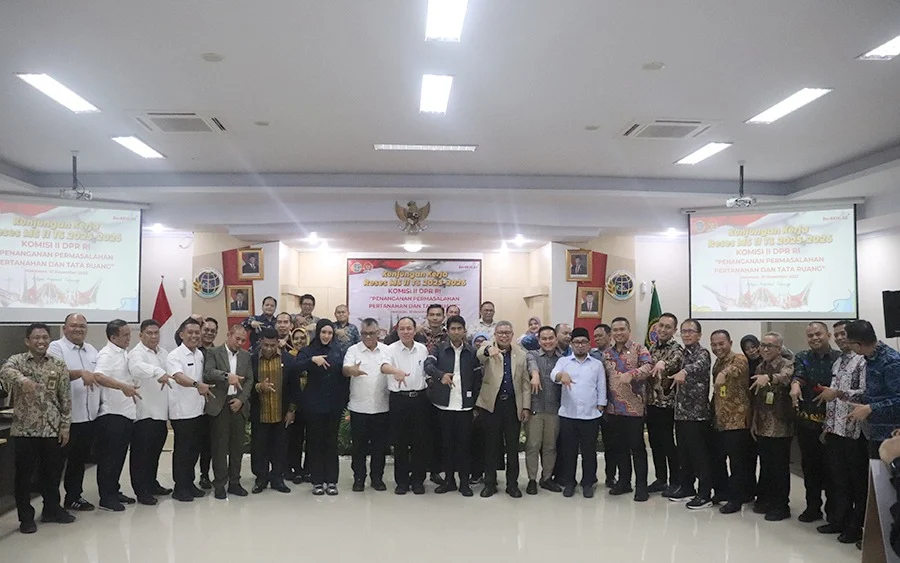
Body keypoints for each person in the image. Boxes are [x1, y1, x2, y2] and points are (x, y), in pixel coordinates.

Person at [0, 323, 74, 534]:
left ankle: (51, 509)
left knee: (52, 474)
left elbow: (65, 398)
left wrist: (65, 426)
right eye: (36, 338)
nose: (41, 341)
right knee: (24, 476)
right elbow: (5, 371)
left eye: (45, 338)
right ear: (27, 341)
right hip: (25, 430)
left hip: (51, 428)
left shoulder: (58, 364)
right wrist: (23, 380)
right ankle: (26, 518)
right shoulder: (17, 361)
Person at [816, 320, 867, 544]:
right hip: (835, 431)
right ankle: (839, 521)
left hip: (854, 432)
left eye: (843, 333)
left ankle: (856, 527)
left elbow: (865, 393)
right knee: (838, 481)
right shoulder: (838, 362)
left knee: (857, 483)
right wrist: (827, 427)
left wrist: (839, 393)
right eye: (836, 334)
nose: (839, 338)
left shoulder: (862, 360)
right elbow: (831, 397)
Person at [788, 321, 840, 525]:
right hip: (807, 423)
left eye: (818, 334)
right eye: (810, 336)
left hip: (832, 424)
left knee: (832, 470)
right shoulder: (802, 356)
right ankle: (813, 508)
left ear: (828, 335)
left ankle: (834, 512)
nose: (814, 338)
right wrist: (795, 385)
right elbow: (799, 374)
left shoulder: (839, 358)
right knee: (810, 468)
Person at [47, 313, 100, 512]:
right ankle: (51, 505)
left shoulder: (91, 350)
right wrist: (80, 373)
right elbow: (54, 374)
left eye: (82, 326)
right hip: (65, 419)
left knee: (78, 461)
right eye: (74, 325)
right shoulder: (55, 348)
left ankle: (74, 497)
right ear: (64, 328)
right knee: (56, 464)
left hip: (88, 417)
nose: (78, 329)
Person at [424, 315, 480, 497]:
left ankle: (464, 483)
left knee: (464, 446)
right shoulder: (439, 349)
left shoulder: (472, 352)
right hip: (444, 406)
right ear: (447, 331)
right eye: (453, 329)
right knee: (446, 445)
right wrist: (441, 375)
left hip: (465, 407)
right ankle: (449, 481)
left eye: (459, 328)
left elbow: (478, 379)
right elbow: (428, 365)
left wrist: (476, 404)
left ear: (464, 330)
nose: (456, 332)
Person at [474, 321, 530, 498]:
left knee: (512, 447)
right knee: (490, 445)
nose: (504, 336)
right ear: (495, 334)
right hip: (492, 405)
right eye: (500, 333)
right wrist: (488, 350)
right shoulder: (488, 347)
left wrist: (526, 406)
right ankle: (489, 483)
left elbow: (525, 383)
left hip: (512, 406)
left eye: (507, 333)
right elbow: (480, 354)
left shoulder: (521, 355)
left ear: (512, 335)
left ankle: (512, 484)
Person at [551, 327, 607, 498]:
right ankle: (569, 482)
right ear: (572, 344)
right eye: (576, 342)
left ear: (589, 344)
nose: (580, 345)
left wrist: (601, 405)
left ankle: (588, 483)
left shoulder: (596, 364)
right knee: (569, 452)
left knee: (589, 452)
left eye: (583, 342)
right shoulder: (564, 362)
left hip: (591, 415)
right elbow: (553, 374)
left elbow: (601, 386)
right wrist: (561, 376)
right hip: (568, 415)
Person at [93, 319, 142, 512]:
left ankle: (114, 490)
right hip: (111, 414)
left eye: (129, 334)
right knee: (109, 458)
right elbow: (98, 376)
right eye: (125, 335)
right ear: (113, 337)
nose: (129, 338)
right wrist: (122, 387)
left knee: (119, 457)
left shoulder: (123, 352)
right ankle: (106, 498)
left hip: (125, 413)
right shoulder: (106, 354)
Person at [296, 320, 348, 495]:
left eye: (329, 333)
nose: (326, 336)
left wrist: (343, 400)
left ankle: (331, 480)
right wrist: (312, 360)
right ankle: (317, 480)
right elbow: (294, 367)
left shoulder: (338, 351)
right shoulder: (308, 351)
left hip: (334, 405)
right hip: (313, 405)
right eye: (323, 332)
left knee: (331, 443)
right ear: (318, 333)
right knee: (315, 443)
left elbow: (344, 376)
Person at [603, 317, 652, 502]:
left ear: (629, 330)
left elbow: (648, 367)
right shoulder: (607, 354)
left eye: (622, 329)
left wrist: (632, 374)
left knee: (637, 448)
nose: (618, 333)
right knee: (619, 448)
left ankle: (641, 487)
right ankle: (624, 482)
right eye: (615, 330)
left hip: (634, 408)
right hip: (614, 408)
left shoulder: (640, 349)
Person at [381, 317, 432, 495]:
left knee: (420, 442)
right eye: (402, 329)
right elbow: (383, 367)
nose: (406, 332)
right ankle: (401, 481)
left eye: (409, 328)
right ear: (397, 331)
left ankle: (418, 481)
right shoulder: (390, 349)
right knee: (400, 442)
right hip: (399, 400)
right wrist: (396, 371)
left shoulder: (422, 349)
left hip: (420, 399)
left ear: (414, 330)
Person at [166, 317, 214, 502]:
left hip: (198, 410)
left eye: (197, 333)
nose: (194, 336)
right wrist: (197, 385)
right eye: (190, 333)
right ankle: (180, 488)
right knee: (182, 452)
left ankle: (189, 483)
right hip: (182, 412)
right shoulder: (174, 355)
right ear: (181, 335)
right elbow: (178, 377)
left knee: (194, 450)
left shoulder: (199, 354)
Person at [204, 324, 253, 499]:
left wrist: (241, 400)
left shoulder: (246, 356)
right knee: (220, 446)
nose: (240, 343)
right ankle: (219, 483)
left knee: (237, 447)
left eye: (243, 340)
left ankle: (234, 482)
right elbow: (208, 373)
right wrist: (226, 376)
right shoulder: (213, 352)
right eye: (237, 339)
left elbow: (249, 380)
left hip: (238, 404)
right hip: (219, 405)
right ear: (228, 335)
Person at [668, 319, 713, 510]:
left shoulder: (703, 353)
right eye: (684, 331)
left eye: (690, 331)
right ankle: (687, 487)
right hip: (681, 413)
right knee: (684, 454)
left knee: (699, 456)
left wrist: (684, 371)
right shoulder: (682, 353)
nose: (686, 335)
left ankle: (704, 494)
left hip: (697, 415)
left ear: (699, 335)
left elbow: (698, 366)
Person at [751, 332, 795, 521]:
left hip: (780, 425)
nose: (765, 349)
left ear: (779, 348)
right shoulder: (760, 366)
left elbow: (785, 378)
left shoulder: (787, 363)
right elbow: (758, 398)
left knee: (779, 467)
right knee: (766, 465)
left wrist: (769, 378)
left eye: (770, 346)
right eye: (763, 345)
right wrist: (754, 421)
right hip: (762, 424)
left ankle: (781, 505)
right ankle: (766, 499)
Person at [343, 318, 391, 492]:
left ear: (378, 333)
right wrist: (352, 370)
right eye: (364, 333)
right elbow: (345, 370)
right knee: (358, 448)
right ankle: (359, 478)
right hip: (359, 408)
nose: (368, 337)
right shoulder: (353, 350)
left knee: (379, 447)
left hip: (381, 407)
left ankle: (377, 478)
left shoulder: (387, 351)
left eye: (371, 333)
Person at [127, 320, 171, 505]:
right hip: (144, 413)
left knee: (154, 453)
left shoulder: (163, 353)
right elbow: (136, 369)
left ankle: (152, 484)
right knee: (141, 456)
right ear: (141, 335)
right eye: (149, 333)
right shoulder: (136, 353)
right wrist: (157, 371)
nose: (153, 336)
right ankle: (141, 491)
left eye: (156, 333)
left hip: (160, 413)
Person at [249, 328, 298, 495]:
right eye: (266, 345)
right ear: (260, 342)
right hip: (260, 412)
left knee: (280, 448)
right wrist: (259, 386)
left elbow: (294, 387)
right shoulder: (252, 360)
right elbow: (247, 384)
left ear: (278, 343)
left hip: (281, 413)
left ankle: (277, 479)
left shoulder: (288, 360)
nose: (269, 348)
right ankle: (261, 479)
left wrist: (291, 410)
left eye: (272, 345)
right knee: (259, 448)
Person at [709, 329, 752, 515]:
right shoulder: (717, 362)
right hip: (719, 421)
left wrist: (724, 374)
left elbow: (736, 369)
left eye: (721, 344)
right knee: (717, 459)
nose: (718, 348)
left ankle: (736, 499)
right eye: (714, 344)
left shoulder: (739, 358)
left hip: (737, 421)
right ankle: (722, 492)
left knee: (737, 463)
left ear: (730, 343)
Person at [845, 320, 900, 457]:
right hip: (874, 433)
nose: (848, 347)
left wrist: (870, 408)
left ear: (857, 345)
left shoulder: (891, 361)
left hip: (892, 437)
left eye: (849, 343)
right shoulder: (869, 359)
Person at [646, 313, 683, 496]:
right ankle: (661, 479)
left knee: (668, 443)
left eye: (668, 327)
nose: (662, 329)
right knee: (655, 442)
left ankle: (676, 480)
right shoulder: (652, 347)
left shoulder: (677, 349)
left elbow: (672, 363)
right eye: (660, 325)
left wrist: (662, 363)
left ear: (674, 330)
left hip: (667, 404)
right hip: (651, 402)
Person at [524, 326, 563, 495]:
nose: (548, 342)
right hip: (535, 408)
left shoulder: (562, 359)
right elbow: (532, 366)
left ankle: (546, 478)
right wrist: (535, 375)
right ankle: (532, 479)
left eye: (550, 338)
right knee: (533, 445)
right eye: (544, 339)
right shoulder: (531, 355)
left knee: (550, 446)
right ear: (539, 341)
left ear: (556, 339)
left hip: (555, 410)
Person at [418, 304, 448, 485]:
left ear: (443, 317)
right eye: (432, 315)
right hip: (419, 387)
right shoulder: (417, 334)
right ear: (427, 316)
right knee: (421, 433)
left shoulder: (449, 335)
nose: (435, 318)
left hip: (441, 388)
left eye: (438, 315)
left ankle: (436, 471)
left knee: (438, 432)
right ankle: (418, 472)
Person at [591, 323, 616, 488]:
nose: (597, 339)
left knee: (611, 444)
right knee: (590, 444)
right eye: (595, 336)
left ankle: (611, 476)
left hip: (612, 406)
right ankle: (591, 477)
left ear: (609, 336)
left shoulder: (615, 354)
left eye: (600, 335)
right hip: (593, 406)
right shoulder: (591, 355)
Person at [284, 326, 310, 484]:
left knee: (311, 439)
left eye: (302, 338)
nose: (299, 341)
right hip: (293, 404)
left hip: (311, 403)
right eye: (296, 338)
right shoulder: (288, 357)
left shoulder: (311, 355)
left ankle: (308, 470)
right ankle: (295, 469)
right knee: (294, 438)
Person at [197, 317, 218, 490]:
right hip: (192, 402)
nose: (209, 333)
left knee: (207, 443)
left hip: (211, 402)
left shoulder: (218, 352)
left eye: (213, 331)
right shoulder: (192, 348)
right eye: (206, 330)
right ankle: (186, 479)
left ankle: (204, 475)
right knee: (191, 444)